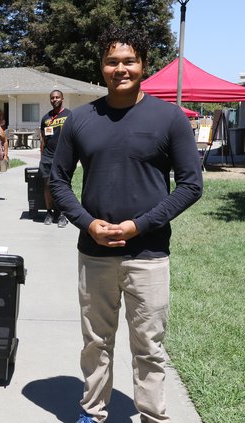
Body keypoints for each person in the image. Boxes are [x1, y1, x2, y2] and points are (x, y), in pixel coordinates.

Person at [50, 27, 203, 423]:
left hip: (148, 255)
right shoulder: (81, 120)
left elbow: (191, 184)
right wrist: (87, 224)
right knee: (96, 342)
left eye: (129, 60)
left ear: (143, 65)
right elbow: (57, 181)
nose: (121, 68)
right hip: (95, 254)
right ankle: (93, 411)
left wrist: (140, 225)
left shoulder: (168, 118)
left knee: (149, 346)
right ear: (101, 67)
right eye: (112, 61)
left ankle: (152, 415)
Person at [40, 90, 71, 227]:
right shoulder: (46, 118)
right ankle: (49, 212)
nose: (55, 99)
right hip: (48, 156)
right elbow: (43, 138)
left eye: (57, 97)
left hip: (64, 155)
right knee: (47, 185)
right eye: (52, 98)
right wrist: (42, 155)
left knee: (63, 185)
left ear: (62, 98)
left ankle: (63, 214)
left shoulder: (69, 115)